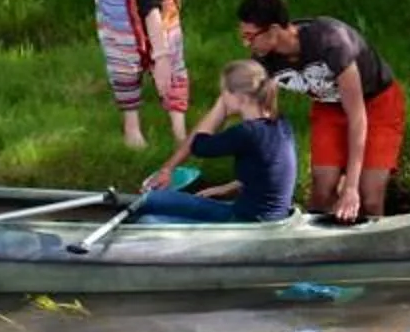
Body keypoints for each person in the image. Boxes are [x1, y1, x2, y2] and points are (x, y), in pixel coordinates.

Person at [235, 0, 403, 225]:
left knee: (369, 197)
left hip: (375, 104)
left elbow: (357, 116)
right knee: (322, 190)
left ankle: (372, 251)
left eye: (250, 36)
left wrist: (351, 187)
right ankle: (323, 249)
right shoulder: (264, 60)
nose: (246, 43)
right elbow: (246, 113)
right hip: (327, 106)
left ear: (273, 30)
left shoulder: (330, 41)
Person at [92, 0, 223, 152]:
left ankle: (179, 135)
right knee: (125, 46)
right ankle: (132, 130)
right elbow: (149, 1)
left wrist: (166, 48)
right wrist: (158, 55)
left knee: (173, 41)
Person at [126, 59, 297, 224]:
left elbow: (199, 145)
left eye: (223, 94)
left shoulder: (247, 133)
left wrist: (219, 109)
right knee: (153, 199)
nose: (221, 98)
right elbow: (266, 173)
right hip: (255, 212)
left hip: (249, 222)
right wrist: (225, 189)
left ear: (239, 97)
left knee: (148, 222)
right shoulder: (280, 123)